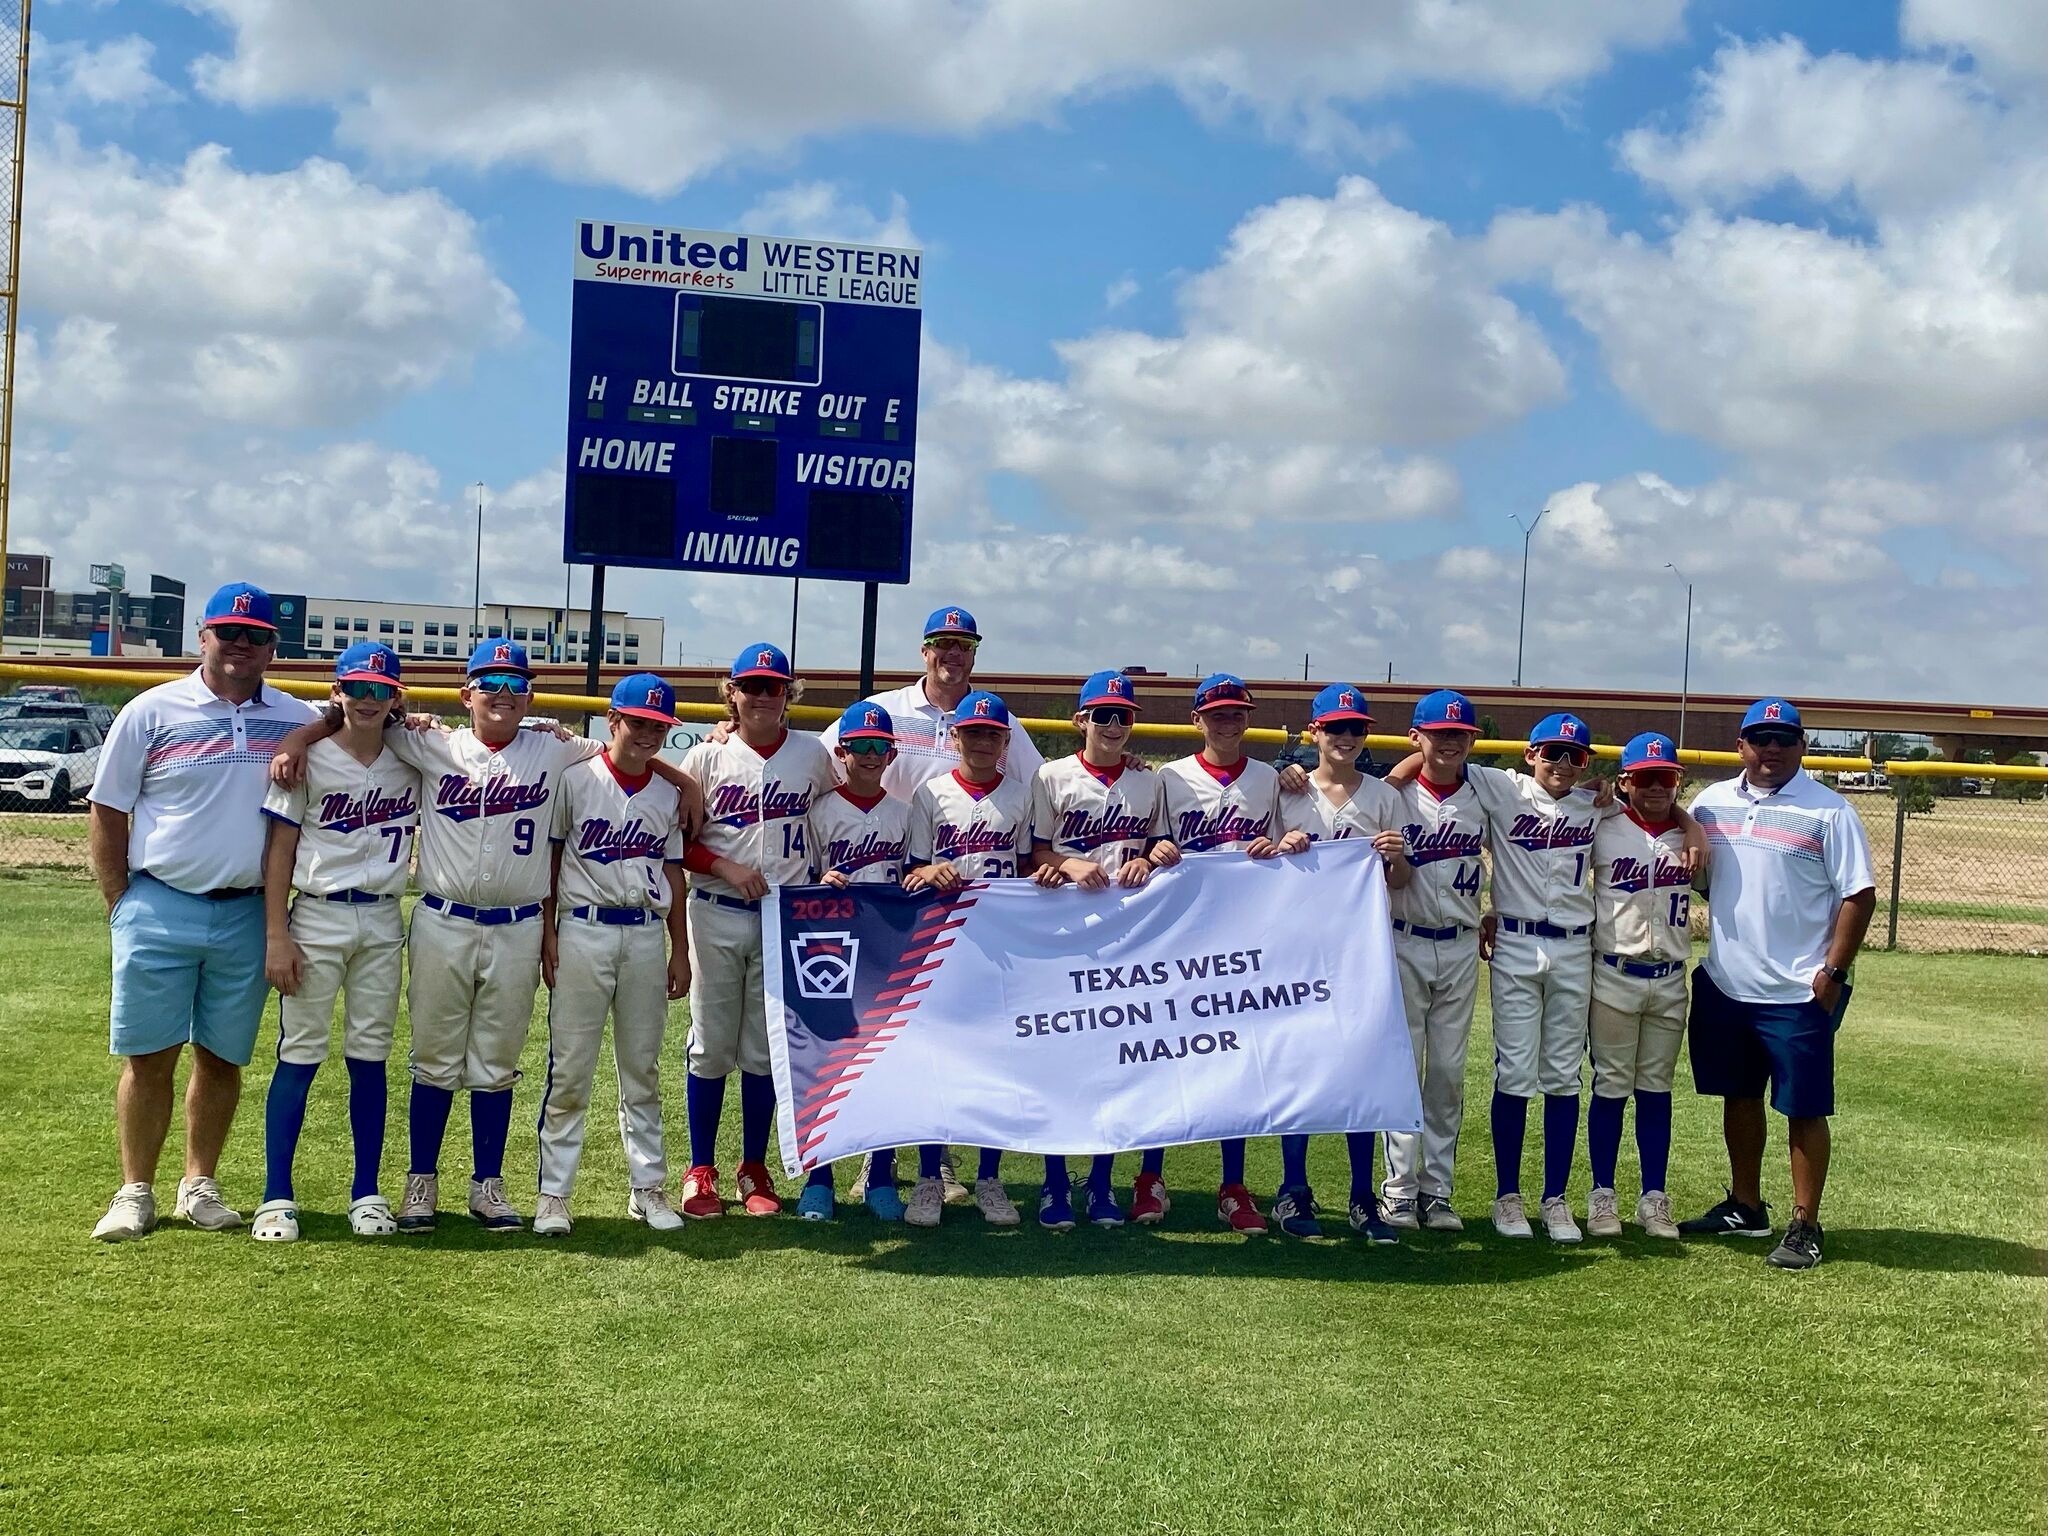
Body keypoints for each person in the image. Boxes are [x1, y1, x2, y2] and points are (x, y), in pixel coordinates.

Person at [87, 582, 320, 1241]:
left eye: (256, 635)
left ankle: (199, 1183)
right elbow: (108, 809)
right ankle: (135, 1191)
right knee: (148, 1055)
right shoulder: (152, 711)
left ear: (274, 645)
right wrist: (120, 902)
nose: (241, 645)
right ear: (204, 638)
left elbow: (360, 723)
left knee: (221, 1057)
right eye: (228, 632)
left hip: (247, 910)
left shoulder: (294, 716)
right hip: (160, 901)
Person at [1679, 699, 1875, 1270]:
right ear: (1741, 743)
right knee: (1739, 1097)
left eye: (1783, 738)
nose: (1771, 748)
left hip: (1798, 990)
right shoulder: (1711, 802)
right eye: (1760, 737)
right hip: (1726, 980)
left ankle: (1805, 1223)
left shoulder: (1830, 810)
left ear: (1802, 745)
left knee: (1803, 1108)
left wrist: (1833, 973)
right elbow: (1700, 871)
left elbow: (1858, 894)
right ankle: (1745, 1205)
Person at [251, 641, 419, 1242]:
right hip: (317, 915)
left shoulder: (412, 756)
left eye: (382, 689)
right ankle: (276, 1194)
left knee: (370, 1056)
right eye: (358, 688)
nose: (369, 699)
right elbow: (280, 850)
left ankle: (367, 1192)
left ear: (396, 697)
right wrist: (277, 932)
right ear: (338, 692)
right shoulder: (308, 756)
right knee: (300, 1051)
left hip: (381, 917)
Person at [675, 644, 837, 1220]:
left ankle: (754, 1165)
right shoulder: (705, 758)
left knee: (765, 1049)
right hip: (715, 909)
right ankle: (700, 1169)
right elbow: (677, 840)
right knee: (711, 1043)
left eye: (774, 686)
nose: (763, 696)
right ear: (732, 693)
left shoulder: (813, 756)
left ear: (788, 693)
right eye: (752, 686)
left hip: (785, 916)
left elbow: (841, 817)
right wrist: (724, 866)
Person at [1149, 673, 1312, 1235]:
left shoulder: (1270, 779)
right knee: (1167, 1053)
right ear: (1197, 719)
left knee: (1236, 1059)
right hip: (1179, 933)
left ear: (1248, 718)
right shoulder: (1169, 778)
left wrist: (1288, 841)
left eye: (1236, 713)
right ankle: (1151, 1174)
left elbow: (1297, 838)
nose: (1227, 721)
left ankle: (1234, 1183)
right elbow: (1146, 844)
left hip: (1242, 938)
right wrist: (1155, 848)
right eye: (1216, 713)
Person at [533, 674, 693, 1238]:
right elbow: (550, 864)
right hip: (584, 929)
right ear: (613, 721)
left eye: (659, 726)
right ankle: (554, 1194)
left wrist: (681, 948)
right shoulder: (575, 780)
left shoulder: (669, 794)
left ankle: (647, 1187)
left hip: (646, 933)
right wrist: (548, 933)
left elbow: (673, 869)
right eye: (639, 722)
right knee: (571, 1069)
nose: (649, 733)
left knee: (642, 1070)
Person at [1271, 683, 1413, 1244]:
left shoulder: (1382, 795)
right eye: (1335, 728)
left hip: (1362, 952)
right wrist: (1280, 848)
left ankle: (1361, 1196)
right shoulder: (1286, 792)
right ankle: (1293, 1189)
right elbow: (1257, 867)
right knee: (1301, 1071)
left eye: (1356, 728)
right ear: (1315, 733)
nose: (1346, 738)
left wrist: (1396, 859)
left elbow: (1401, 881)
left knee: (1361, 1072)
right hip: (1298, 950)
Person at [1027, 670, 1166, 1230]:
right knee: (1060, 1061)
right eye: (1102, 714)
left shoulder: (1147, 781)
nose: (1113, 725)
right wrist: (1062, 862)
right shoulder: (1050, 775)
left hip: (1128, 938)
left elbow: (1162, 839)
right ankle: (1055, 1183)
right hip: (1065, 935)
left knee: (1117, 1065)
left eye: (1123, 715)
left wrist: (1153, 857)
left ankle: (1103, 1182)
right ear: (1080, 719)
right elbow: (1033, 850)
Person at [901, 690, 1041, 1228]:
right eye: (972, 732)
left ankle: (989, 1177)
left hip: (1003, 945)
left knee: (996, 1064)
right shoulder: (930, 795)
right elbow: (910, 872)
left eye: (992, 733)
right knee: (936, 1061)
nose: (982, 741)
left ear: (1006, 742)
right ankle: (930, 1177)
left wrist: (1044, 875)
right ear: (954, 737)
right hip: (943, 943)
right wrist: (928, 873)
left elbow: (1032, 864)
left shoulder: (1022, 795)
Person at [792, 701, 912, 1223]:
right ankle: (819, 1177)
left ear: (890, 754)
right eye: (858, 745)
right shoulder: (818, 810)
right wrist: (819, 883)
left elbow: (913, 877)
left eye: (878, 746)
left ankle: (880, 1173)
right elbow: (800, 876)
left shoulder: (902, 813)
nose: (867, 754)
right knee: (826, 1058)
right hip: (827, 948)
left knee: (884, 1060)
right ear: (840, 753)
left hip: (885, 946)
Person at [1378, 689, 1490, 1234]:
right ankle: (1398, 1191)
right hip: (1403, 939)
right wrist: (1398, 776)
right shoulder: (1390, 797)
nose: (1451, 742)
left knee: (1445, 1073)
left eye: (1460, 735)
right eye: (1440, 734)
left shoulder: (1487, 793)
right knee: (1405, 1067)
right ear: (1416, 737)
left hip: (1462, 943)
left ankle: (1437, 1189)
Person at [1586, 731, 1694, 1239]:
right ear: (1626, 780)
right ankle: (1602, 1195)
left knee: (1656, 1091)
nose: (1656, 788)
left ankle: (1654, 1197)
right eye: (1646, 778)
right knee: (1610, 1087)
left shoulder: (1691, 835)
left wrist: (1690, 824)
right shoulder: (1604, 825)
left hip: (1671, 978)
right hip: (1614, 973)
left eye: (1666, 778)